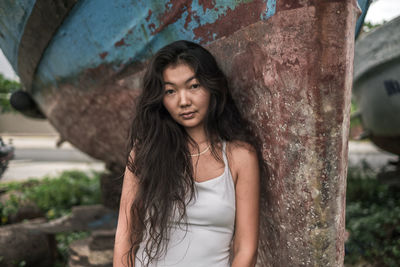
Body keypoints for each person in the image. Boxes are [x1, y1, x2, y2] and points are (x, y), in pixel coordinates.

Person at [113, 40, 263, 267]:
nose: (183, 101)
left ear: (212, 87)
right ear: (161, 99)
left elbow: (246, 248)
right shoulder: (145, 153)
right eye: (170, 91)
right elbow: (125, 236)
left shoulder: (240, 157)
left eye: (193, 86)